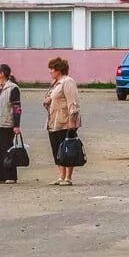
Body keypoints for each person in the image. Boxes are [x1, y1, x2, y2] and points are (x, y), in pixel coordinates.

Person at [43, 57, 81, 186]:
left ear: (58, 70)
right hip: (53, 121)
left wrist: (72, 121)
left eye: (52, 69)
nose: (50, 72)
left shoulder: (68, 82)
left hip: (65, 121)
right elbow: (52, 97)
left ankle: (68, 177)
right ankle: (61, 176)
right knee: (56, 149)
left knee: (67, 149)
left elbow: (73, 102)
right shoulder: (55, 83)